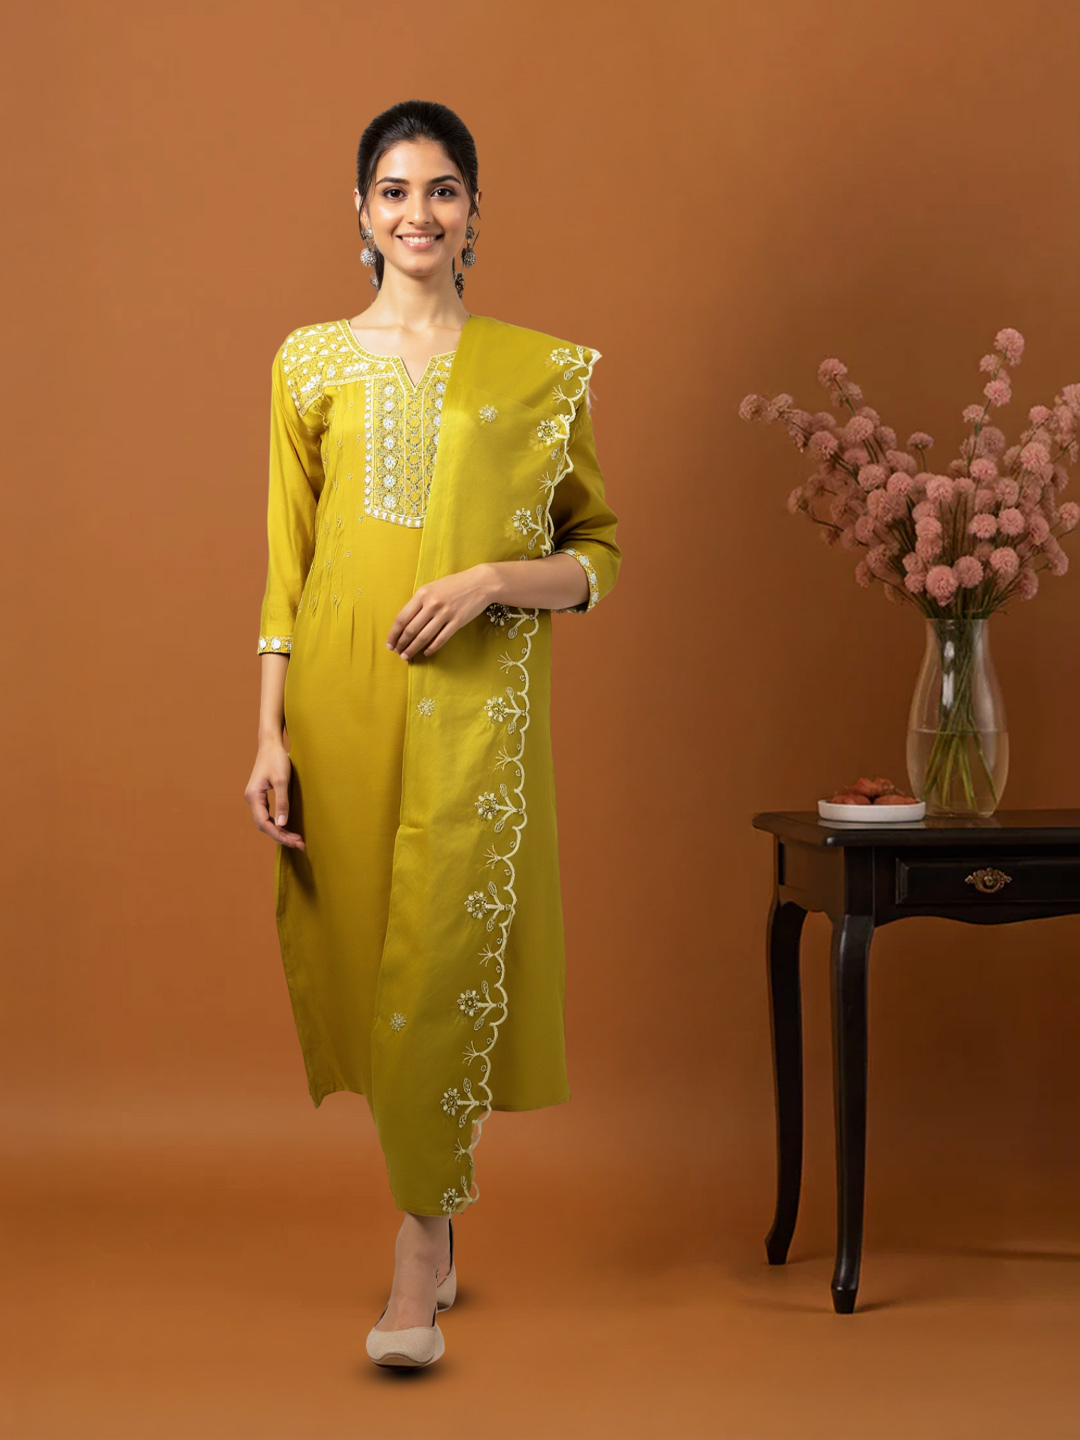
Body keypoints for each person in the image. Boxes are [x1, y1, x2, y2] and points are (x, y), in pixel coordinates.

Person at [243, 99, 621, 1369]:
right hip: (338, 709)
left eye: (443, 188)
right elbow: (285, 569)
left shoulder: (538, 373)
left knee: (439, 959)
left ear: (473, 212)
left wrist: (493, 581)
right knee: (370, 960)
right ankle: (436, 1216)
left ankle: (417, 1252)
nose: (419, 212)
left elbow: (598, 555)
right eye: (395, 190)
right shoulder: (308, 363)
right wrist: (268, 737)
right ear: (361, 212)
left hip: (472, 710)